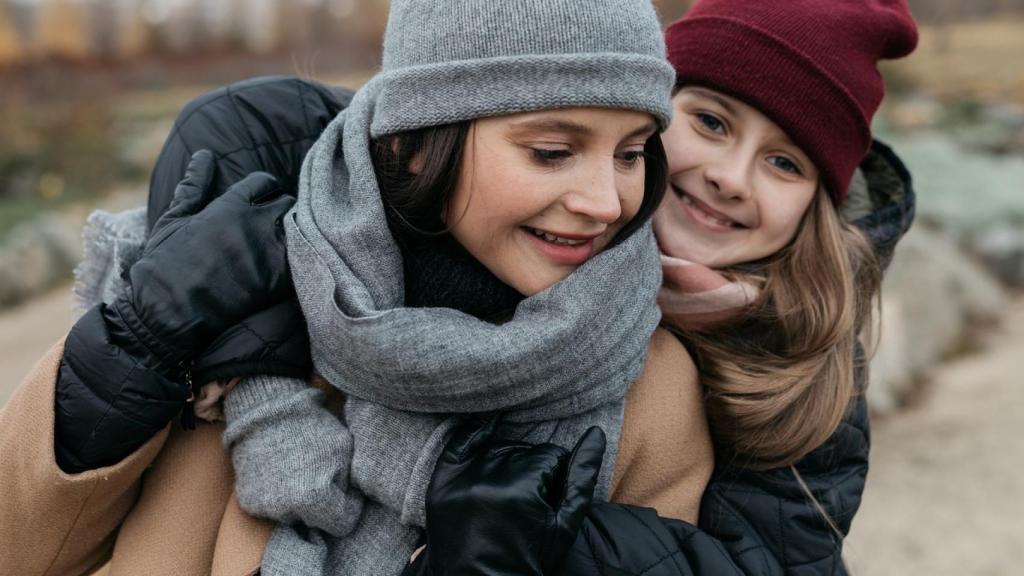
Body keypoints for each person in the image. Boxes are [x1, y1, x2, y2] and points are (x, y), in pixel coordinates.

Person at [0, 1, 717, 575]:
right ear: (411, 139)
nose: (606, 200)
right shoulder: (215, 285)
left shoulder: (650, 388)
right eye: (552, 152)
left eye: (630, 153)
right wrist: (133, 346)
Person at [406, 0, 919, 574]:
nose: (730, 178)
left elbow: (769, 563)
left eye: (784, 163)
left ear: (813, 206)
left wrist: (554, 541)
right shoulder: (519, 225)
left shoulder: (804, 360)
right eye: (712, 123)